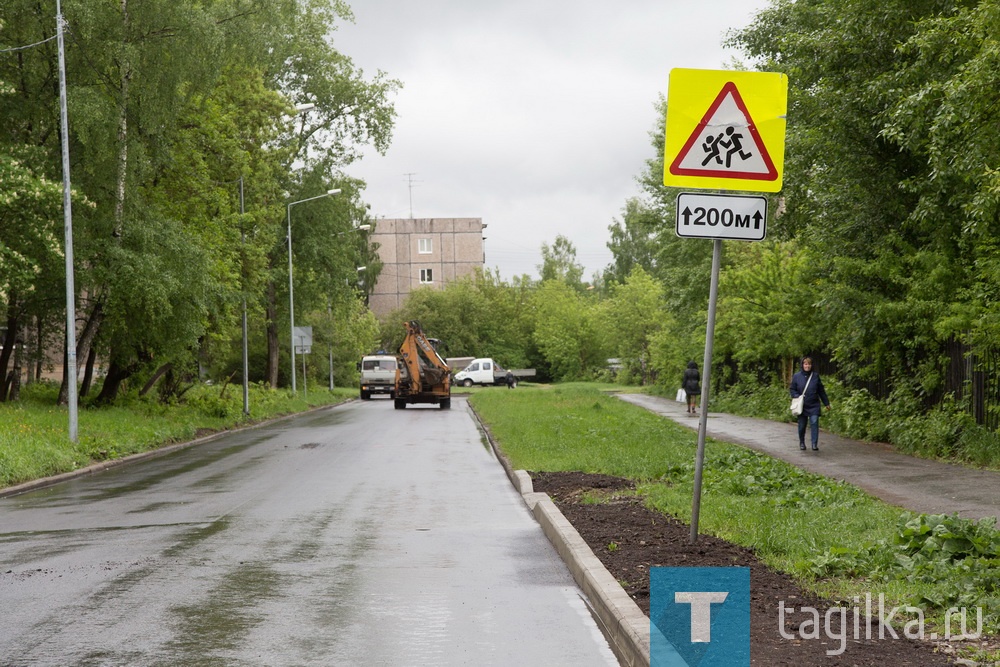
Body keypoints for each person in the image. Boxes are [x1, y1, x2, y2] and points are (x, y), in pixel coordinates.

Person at [789, 356, 832, 451]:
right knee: (802, 426)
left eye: (809, 364)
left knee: (814, 422)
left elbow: (821, 390)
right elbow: (792, 389)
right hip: (802, 405)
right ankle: (802, 442)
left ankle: (814, 444)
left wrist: (826, 403)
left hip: (814, 404)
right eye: (805, 364)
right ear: (802, 365)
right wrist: (797, 395)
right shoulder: (797, 376)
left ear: (811, 365)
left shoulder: (815, 376)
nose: (807, 366)